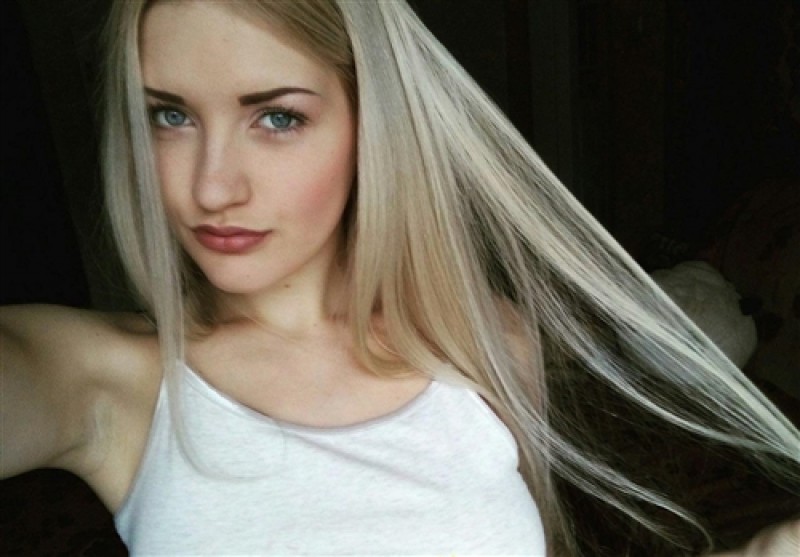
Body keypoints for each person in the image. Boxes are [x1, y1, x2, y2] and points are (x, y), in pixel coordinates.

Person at [1, 1, 798, 555]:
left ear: (369, 124)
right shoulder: (101, 378)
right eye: (170, 114)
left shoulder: (487, 341)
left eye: (276, 117)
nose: (211, 186)